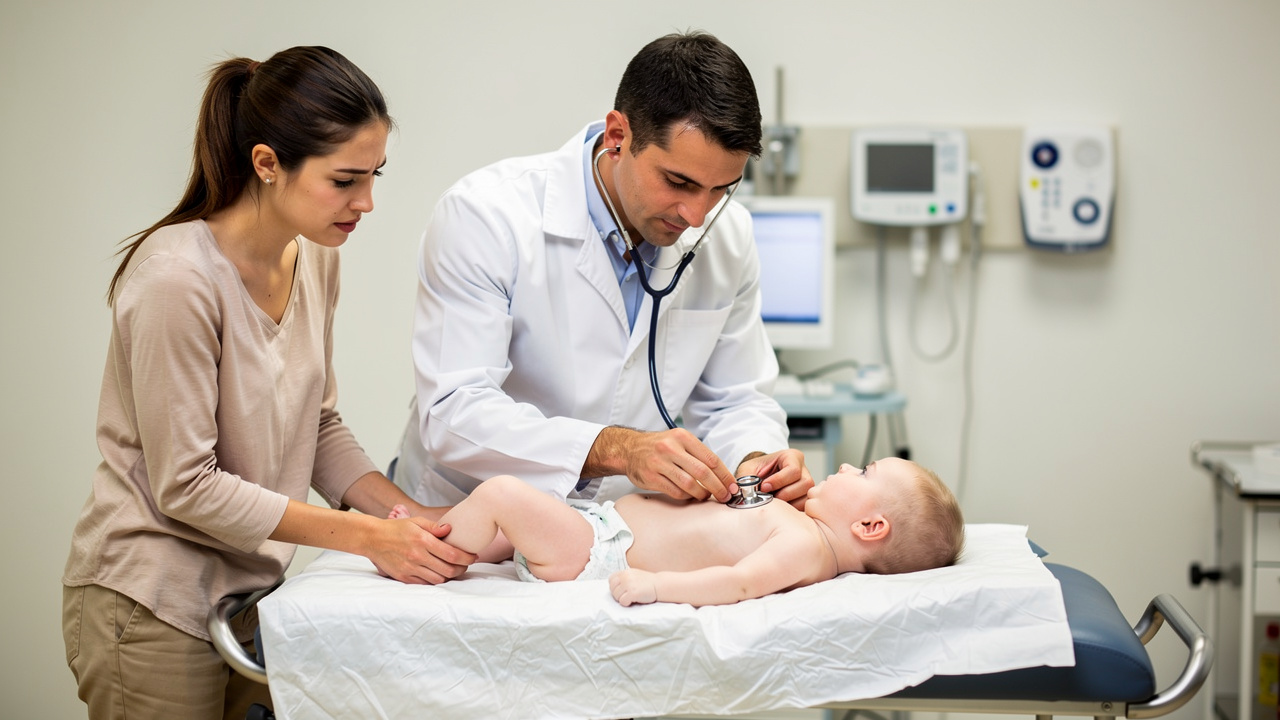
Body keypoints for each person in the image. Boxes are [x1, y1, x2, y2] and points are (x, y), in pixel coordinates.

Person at [62, 46, 473, 720]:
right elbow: (186, 485)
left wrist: (411, 518)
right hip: (152, 607)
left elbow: (317, 425)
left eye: (375, 176)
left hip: (253, 598)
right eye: (345, 180)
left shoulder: (313, 257)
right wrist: (368, 539)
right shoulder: (177, 281)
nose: (366, 202)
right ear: (267, 164)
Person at [394, 30, 814, 513]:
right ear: (618, 136)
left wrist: (758, 462)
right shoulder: (486, 216)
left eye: (722, 189)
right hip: (463, 517)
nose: (696, 216)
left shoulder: (730, 237)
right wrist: (617, 449)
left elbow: (735, 400)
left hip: (613, 532)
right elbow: (455, 412)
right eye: (679, 182)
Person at [390, 458, 965, 607]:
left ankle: (428, 548)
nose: (843, 469)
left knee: (502, 497)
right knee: (510, 525)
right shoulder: (799, 523)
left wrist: (657, 588)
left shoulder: (805, 546)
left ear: (870, 526)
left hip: (600, 555)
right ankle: (435, 530)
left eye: (862, 474)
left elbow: (738, 584)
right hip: (599, 529)